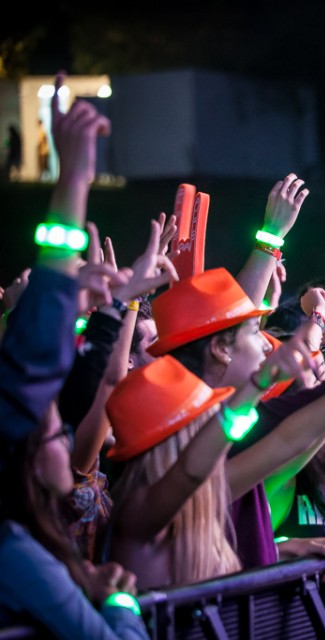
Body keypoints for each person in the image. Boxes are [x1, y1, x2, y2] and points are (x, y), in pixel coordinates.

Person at [1, 72, 148, 639]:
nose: (68, 431)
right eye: (58, 429)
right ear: (26, 457)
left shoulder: (33, 542)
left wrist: (113, 307)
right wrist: (120, 604)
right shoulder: (16, 552)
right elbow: (47, 364)